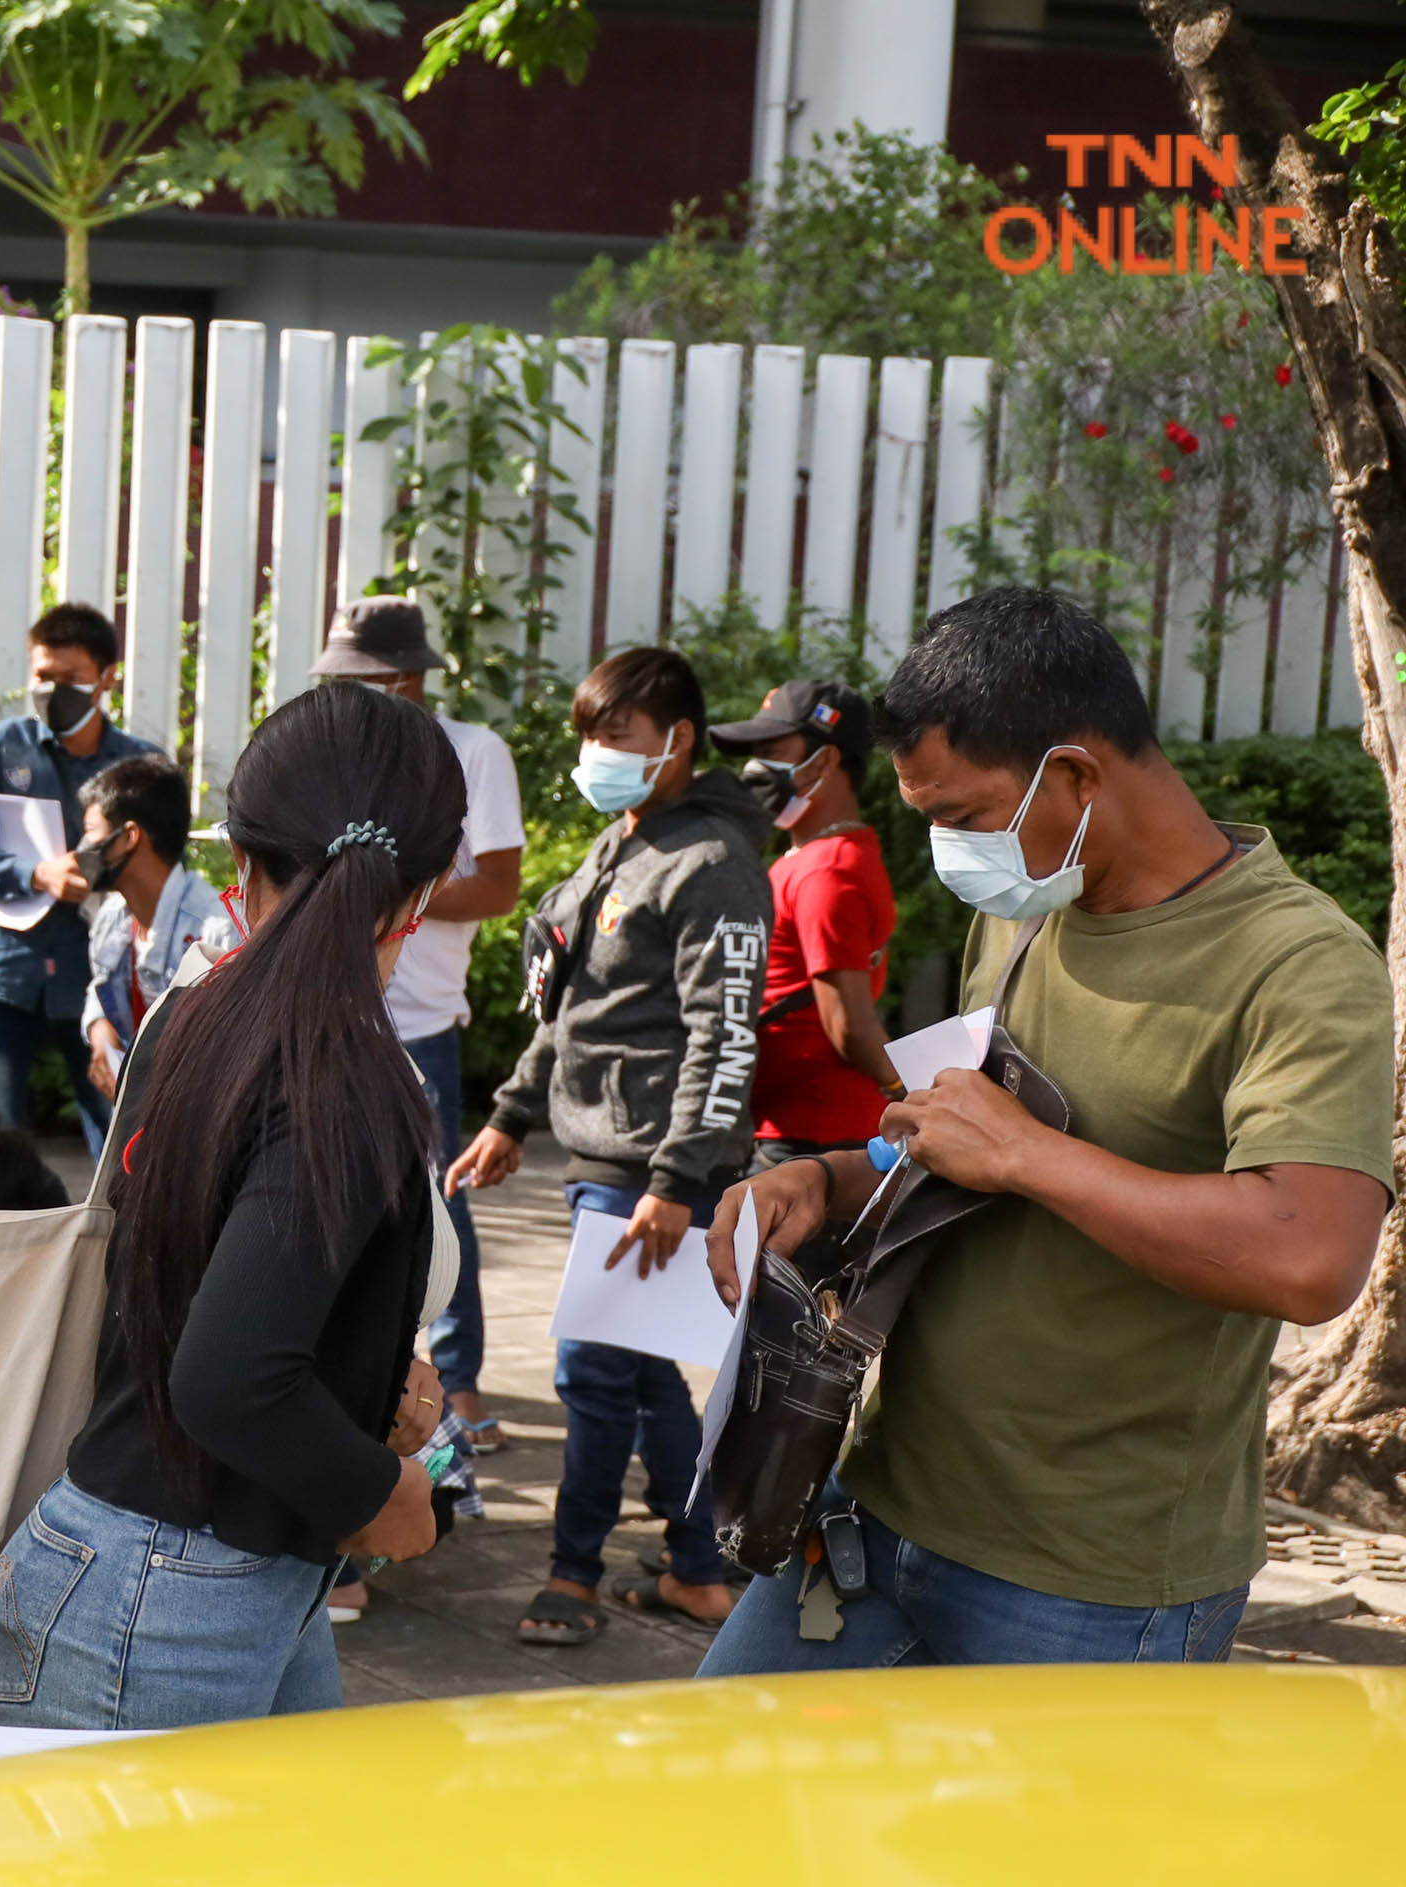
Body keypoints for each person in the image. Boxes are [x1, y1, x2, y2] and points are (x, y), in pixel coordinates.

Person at [704, 588, 1394, 1672]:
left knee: (1025, 1853)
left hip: (1088, 1580)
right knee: (727, 1815)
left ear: (1074, 776)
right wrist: (837, 1178)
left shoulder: (1297, 965)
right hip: (874, 1503)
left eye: (964, 817)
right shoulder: (1027, 907)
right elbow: (962, 1141)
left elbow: (1310, 1255)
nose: (945, 848)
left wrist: (1031, 1156)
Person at [0, 683, 461, 1731]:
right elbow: (231, 1376)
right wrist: (391, 1495)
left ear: (241, 862)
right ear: (422, 894)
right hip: (167, 1595)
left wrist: (375, 1376)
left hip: (175, 1575)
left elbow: (223, 1281)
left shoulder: (202, 1011)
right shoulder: (336, 1072)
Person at [446, 645, 768, 1647]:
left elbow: (726, 1033)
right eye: (590, 734)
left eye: (616, 736)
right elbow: (570, 1002)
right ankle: (701, 1567)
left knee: (591, 1370)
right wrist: (510, 1113)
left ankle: (573, 1570)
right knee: (637, 1374)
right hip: (602, 1151)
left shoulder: (711, 864)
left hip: (651, 1164)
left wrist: (678, 1179)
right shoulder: (621, 843)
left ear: (677, 740)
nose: (596, 753)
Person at [316, 597, 527, 1456]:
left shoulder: (473, 753)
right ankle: (360, 1379)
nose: (341, 695)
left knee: (437, 1212)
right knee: (329, 1204)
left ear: (406, 680)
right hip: (332, 1010)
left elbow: (500, 888)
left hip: (422, 1021)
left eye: (358, 681)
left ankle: (460, 1380)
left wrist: (382, 887)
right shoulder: (334, 747)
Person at [0, 601, 157, 1143]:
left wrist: (111, 876)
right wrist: (38, 874)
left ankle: (117, 1231)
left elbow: (161, 870)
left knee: (121, 1134)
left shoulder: (140, 767)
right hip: (4, 971)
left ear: (107, 678)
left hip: (100, 978)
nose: (53, 689)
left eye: (72, 679)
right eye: (43, 676)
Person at [715, 678, 903, 1160]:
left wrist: (912, 1095)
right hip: (786, 1127)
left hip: (812, 1137)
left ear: (826, 759)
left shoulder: (829, 869)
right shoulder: (808, 857)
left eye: (774, 749)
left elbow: (849, 1026)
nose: (757, 767)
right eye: (754, 751)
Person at [74, 753, 239, 1107]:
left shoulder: (216, 931)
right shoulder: (113, 916)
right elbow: (99, 987)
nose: (81, 850)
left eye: (90, 833)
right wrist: (99, 1028)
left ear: (130, 836)